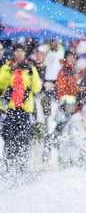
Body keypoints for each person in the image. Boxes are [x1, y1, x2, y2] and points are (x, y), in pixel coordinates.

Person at [0, 44, 43, 174]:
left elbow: (37, 88)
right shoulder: (7, 66)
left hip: (24, 110)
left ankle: (22, 167)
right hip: (10, 109)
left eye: (21, 51)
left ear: (25, 53)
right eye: (17, 51)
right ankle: (8, 166)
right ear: (13, 53)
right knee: (9, 139)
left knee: (23, 140)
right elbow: (1, 82)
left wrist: (32, 71)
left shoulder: (29, 68)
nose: (19, 53)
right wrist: (11, 70)